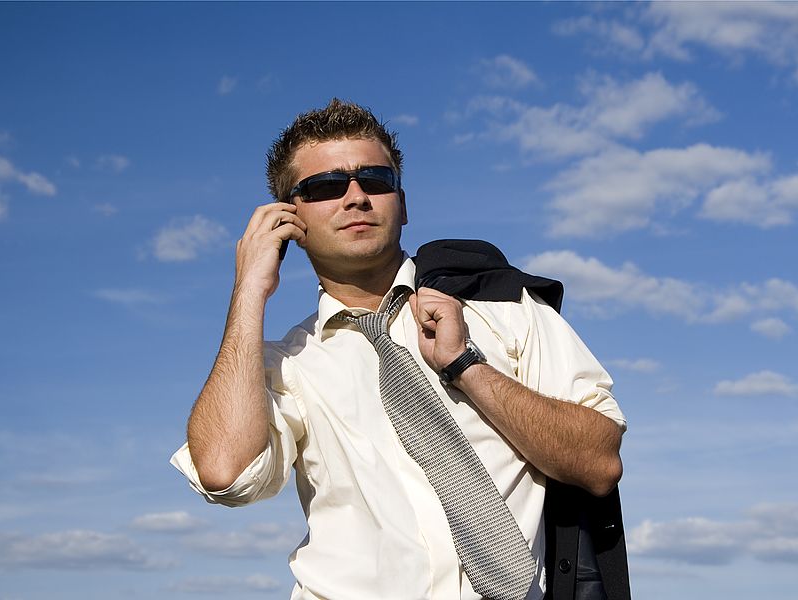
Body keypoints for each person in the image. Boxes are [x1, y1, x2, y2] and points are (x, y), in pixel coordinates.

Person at [171, 98, 626, 600]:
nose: (355, 198)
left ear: (402, 205)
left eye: (374, 180)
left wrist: (465, 366)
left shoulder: (504, 306)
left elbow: (599, 463)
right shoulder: (285, 364)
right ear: (289, 221)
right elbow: (223, 474)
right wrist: (248, 291)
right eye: (325, 187)